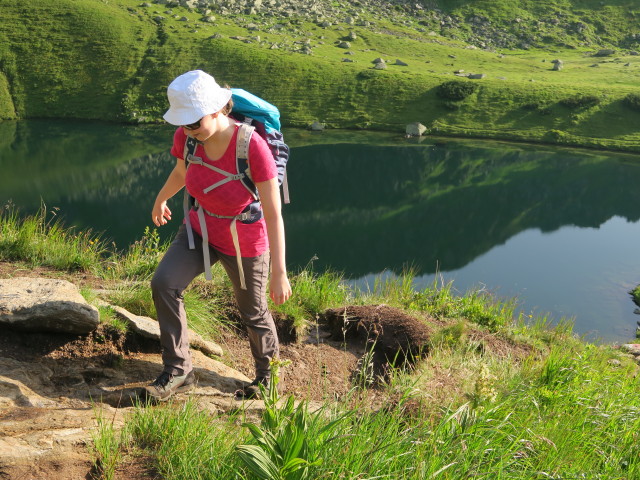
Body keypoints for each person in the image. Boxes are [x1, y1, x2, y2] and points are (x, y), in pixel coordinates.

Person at [146, 70, 291, 401]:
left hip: (245, 241)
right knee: (164, 283)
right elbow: (182, 171)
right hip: (199, 229)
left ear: (218, 109)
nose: (187, 129)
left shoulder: (251, 145)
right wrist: (161, 197)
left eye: (194, 122)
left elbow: (273, 212)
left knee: (253, 310)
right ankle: (178, 369)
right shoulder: (188, 137)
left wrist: (279, 272)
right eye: (182, 123)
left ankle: (267, 378)